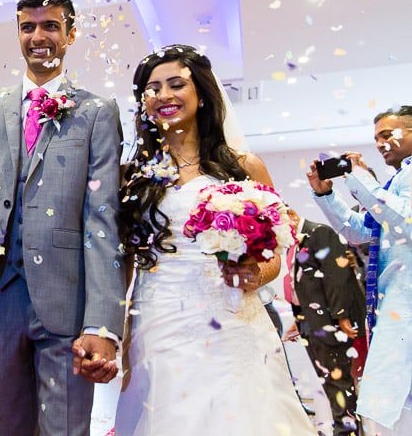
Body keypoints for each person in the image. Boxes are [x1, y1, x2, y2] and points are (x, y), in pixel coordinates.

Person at [0, 0, 125, 436]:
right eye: (28, 27)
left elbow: (103, 219)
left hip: (67, 301)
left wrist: (102, 321)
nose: (38, 36)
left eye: (51, 26)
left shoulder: (97, 113)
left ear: (71, 33)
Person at [113, 44, 314, 435]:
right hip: (158, 317)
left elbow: (274, 254)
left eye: (176, 85)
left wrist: (255, 275)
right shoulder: (131, 177)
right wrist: (117, 331)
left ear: (202, 95)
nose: (164, 96)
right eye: (153, 89)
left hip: (232, 315)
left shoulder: (242, 167)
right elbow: (125, 263)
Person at [308, 105, 412, 435]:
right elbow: (361, 231)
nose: (381, 144)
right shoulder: (398, 179)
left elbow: (404, 220)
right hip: (392, 305)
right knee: (391, 404)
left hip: (406, 302)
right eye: (376, 138)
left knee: (388, 406)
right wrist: (326, 195)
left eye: (388, 135)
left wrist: (359, 178)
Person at [283, 216, 365, 436]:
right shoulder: (294, 242)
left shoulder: (320, 233)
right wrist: (299, 318)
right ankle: (341, 429)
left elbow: (337, 277)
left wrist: (342, 317)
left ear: (289, 215)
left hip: (330, 323)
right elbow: (301, 283)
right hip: (309, 321)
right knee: (327, 380)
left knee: (339, 382)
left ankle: (347, 431)